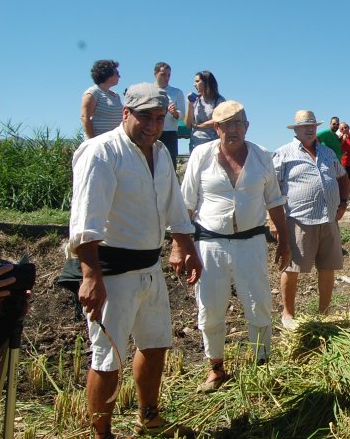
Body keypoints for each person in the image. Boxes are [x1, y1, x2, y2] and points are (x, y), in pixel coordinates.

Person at [69, 83, 201, 438]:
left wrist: (185, 245)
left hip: (148, 267)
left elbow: (173, 204)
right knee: (107, 357)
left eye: (160, 118)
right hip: (111, 271)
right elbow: (85, 220)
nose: (154, 125)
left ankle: (149, 417)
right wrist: (91, 276)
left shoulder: (159, 153)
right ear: (126, 113)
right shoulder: (101, 152)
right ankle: (102, 434)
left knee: (156, 344)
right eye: (146, 117)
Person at [179, 100, 290, 392]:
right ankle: (215, 369)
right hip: (209, 245)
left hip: (251, 242)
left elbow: (275, 200)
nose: (233, 129)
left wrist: (285, 241)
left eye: (238, 123)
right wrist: (180, 247)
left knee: (259, 303)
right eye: (226, 124)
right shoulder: (201, 156)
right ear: (216, 128)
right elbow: (186, 204)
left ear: (247, 126)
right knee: (210, 307)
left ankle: (260, 367)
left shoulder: (262, 156)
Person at [274, 110, 349, 328]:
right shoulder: (284, 154)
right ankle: (288, 314)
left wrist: (344, 202)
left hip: (329, 219)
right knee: (292, 267)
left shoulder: (327, 153)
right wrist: (273, 220)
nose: (309, 129)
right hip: (299, 220)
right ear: (295, 129)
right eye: (304, 126)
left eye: (312, 126)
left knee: (328, 266)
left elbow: (343, 177)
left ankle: (324, 313)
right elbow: (271, 188)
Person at [153, 62, 185, 168]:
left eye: (169, 75)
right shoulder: (149, 91)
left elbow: (182, 115)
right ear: (155, 74)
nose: (166, 77)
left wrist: (175, 113)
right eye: (163, 74)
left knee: (170, 166)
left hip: (169, 133)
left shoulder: (177, 92)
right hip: (151, 132)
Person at [80, 60, 123, 138]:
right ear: (108, 75)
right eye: (117, 74)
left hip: (114, 142)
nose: (119, 76)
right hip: (99, 142)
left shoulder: (115, 95)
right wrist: (91, 140)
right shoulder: (93, 92)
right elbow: (85, 117)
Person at [184, 70, 225, 152]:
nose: (194, 84)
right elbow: (188, 124)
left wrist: (199, 126)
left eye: (197, 81)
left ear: (206, 82)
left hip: (213, 143)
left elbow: (218, 120)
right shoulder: (195, 100)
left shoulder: (219, 100)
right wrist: (190, 105)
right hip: (195, 144)